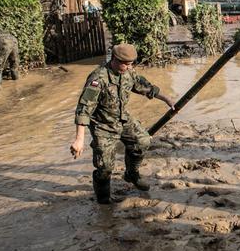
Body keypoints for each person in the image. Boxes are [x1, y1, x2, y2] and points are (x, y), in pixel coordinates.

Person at [69, 43, 175, 204]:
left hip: (122, 119)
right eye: (124, 63)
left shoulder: (129, 72)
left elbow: (145, 87)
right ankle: (104, 200)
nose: (128, 67)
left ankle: (132, 174)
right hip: (102, 126)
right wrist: (79, 139)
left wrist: (167, 99)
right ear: (114, 59)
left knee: (143, 141)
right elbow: (83, 109)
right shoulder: (98, 78)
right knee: (105, 167)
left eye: (131, 63)